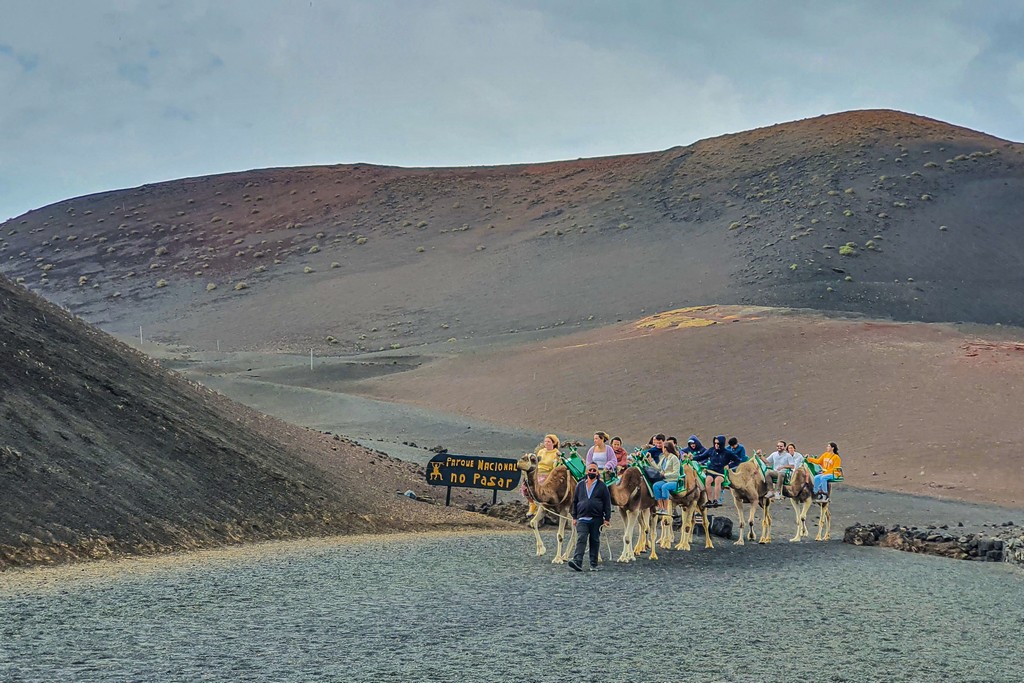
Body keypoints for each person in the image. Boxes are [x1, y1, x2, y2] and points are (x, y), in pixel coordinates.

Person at [568, 463, 613, 572]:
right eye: (590, 470)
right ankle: (577, 561)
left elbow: (607, 503)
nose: (592, 472)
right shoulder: (580, 485)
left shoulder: (602, 486)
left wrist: (607, 518)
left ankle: (594, 564)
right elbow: (575, 501)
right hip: (582, 517)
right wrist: (574, 517)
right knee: (581, 538)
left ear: (597, 473)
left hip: (596, 518)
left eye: (594, 470)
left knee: (594, 540)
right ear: (586, 472)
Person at [696, 435, 742, 507]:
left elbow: (738, 460)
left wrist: (729, 466)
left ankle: (716, 500)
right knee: (707, 481)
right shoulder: (711, 450)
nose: (716, 445)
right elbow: (701, 457)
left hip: (720, 472)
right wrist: (692, 458)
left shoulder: (727, 453)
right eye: (715, 443)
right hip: (711, 471)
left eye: (718, 443)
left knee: (718, 481)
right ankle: (709, 500)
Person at [523, 434, 561, 515]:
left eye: (549, 442)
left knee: (538, 489)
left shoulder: (556, 453)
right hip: (537, 472)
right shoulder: (541, 451)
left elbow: (557, 467)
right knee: (526, 487)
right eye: (545, 441)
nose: (546, 443)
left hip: (548, 475)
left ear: (554, 443)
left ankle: (540, 508)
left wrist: (557, 461)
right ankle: (532, 505)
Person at [652, 441, 681, 516]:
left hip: (673, 481)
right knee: (656, 486)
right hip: (665, 480)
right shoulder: (664, 458)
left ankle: (666, 509)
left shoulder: (674, 458)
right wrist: (650, 461)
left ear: (665, 448)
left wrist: (665, 475)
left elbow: (676, 473)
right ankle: (660, 507)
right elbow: (658, 468)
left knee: (665, 487)